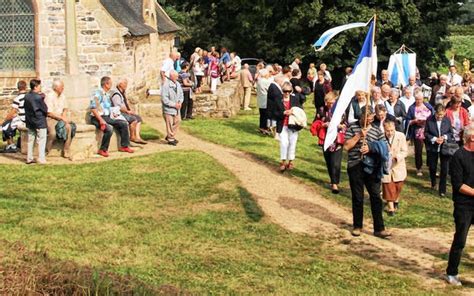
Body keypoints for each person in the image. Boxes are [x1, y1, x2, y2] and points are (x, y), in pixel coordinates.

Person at [344, 106, 391, 238]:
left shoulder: (377, 130)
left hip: (372, 167)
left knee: (376, 196)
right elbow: (346, 146)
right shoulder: (352, 128)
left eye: (370, 117)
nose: (368, 120)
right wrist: (359, 136)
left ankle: (379, 228)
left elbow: (385, 148)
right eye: (366, 117)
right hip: (355, 165)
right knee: (358, 197)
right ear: (361, 116)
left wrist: (371, 147)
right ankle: (357, 225)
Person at [445, 123, 474, 286]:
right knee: (460, 240)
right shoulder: (458, 156)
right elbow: (458, 185)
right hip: (464, 206)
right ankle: (451, 272)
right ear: (472, 137)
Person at [90, 76, 134, 157]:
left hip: (107, 116)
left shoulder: (107, 94)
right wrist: (101, 120)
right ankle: (103, 149)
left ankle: (124, 146)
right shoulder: (97, 94)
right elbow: (93, 109)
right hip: (97, 117)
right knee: (109, 128)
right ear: (106, 84)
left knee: (123, 123)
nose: (111, 85)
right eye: (110, 83)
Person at [316, 92, 345, 193]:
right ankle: (332, 180)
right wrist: (323, 124)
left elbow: (345, 123)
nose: (331, 105)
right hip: (326, 139)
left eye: (332, 103)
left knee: (336, 163)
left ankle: (335, 184)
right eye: (329, 103)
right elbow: (316, 122)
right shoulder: (321, 110)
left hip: (337, 140)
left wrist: (341, 126)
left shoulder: (340, 110)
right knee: (329, 161)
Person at [425, 104, 454, 197]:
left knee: (444, 169)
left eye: (442, 115)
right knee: (433, 167)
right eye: (438, 115)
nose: (440, 117)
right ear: (435, 113)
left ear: (444, 113)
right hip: (433, 147)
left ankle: (442, 190)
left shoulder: (447, 120)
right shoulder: (429, 120)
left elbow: (450, 133)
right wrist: (434, 139)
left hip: (445, 147)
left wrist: (444, 137)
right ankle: (433, 182)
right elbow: (426, 133)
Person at [274, 82, 303, 172]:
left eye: (289, 91)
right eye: (285, 91)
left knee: (292, 143)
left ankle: (290, 161)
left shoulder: (295, 99)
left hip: (293, 125)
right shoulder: (278, 99)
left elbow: (300, 110)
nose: (287, 93)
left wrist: (292, 112)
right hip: (282, 125)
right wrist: (283, 113)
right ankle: (283, 161)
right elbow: (273, 113)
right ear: (282, 91)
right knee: (284, 143)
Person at [382, 120, 408, 215]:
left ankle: (395, 199)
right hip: (386, 166)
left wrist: (397, 157)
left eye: (392, 130)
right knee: (388, 186)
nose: (390, 133)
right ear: (384, 129)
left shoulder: (401, 136)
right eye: (387, 131)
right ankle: (391, 208)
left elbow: (405, 151)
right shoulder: (381, 137)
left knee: (398, 186)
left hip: (398, 166)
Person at [110, 78, 147, 145]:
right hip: (118, 113)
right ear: (120, 84)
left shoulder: (122, 93)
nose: (126, 85)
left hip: (124, 112)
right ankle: (132, 137)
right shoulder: (116, 94)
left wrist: (130, 110)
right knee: (133, 119)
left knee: (138, 118)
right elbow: (117, 107)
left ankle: (137, 137)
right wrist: (127, 111)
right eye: (125, 83)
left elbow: (125, 103)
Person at [406, 90, 434, 176]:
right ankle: (419, 168)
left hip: (429, 130)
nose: (419, 101)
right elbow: (407, 121)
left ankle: (431, 167)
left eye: (420, 99)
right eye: (417, 99)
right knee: (418, 150)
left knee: (431, 149)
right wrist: (414, 121)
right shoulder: (412, 108)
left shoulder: (427, 105)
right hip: (418, 131)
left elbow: (433, 114)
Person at [45, 79, 75, 159]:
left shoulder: (63, 96)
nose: (63, 88)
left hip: (60, 117)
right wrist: (61, 118)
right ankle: (47, 149)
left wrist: (63, 117)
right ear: (55, 88)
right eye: (61, 86)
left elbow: (65, 108)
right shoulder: (49, 96)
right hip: (51, 118)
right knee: (53, 133)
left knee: (69, 127)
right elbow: (49, 113)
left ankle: (66, 150)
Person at [24, 79, 48, 164]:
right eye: (39, 86)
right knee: (42, 139)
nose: (40, 87)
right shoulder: (38, 97)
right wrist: (43, 98)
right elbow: (45, 109)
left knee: (31, 140)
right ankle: (41, 159)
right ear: (35, 87)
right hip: (39, 120)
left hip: (30, 120)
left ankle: (29, 158)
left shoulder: (26, 96)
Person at [1, 80, 27, 152]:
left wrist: (4, 120)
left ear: (18, 88)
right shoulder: (29, 96)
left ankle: (11, 145)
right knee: (10, 122)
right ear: (25, 87)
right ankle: (12, 145)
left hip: (23, 119)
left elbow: (13, 112)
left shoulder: (18, 98)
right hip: (28, 118)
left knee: (5, 126)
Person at [161, 70, 184, 145]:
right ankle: (171, 139)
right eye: (176, 76)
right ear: (171, 76)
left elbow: (181, 94)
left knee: (178, 121)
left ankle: (170, 135)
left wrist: (180, 102)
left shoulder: (177, 84)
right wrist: (174, 104)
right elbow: (164, 99)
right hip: (168, 109)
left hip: (177, 108)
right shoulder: (166, 85)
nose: (177, 77)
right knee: (170, 124)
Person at [256, 69, 273, 135]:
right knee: (266, 115)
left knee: (262, 115)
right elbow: (270, 88)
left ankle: (261, 127)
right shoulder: (266, 82)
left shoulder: (259, 81)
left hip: (260, 99)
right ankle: (265, 128)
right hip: (265, 99)